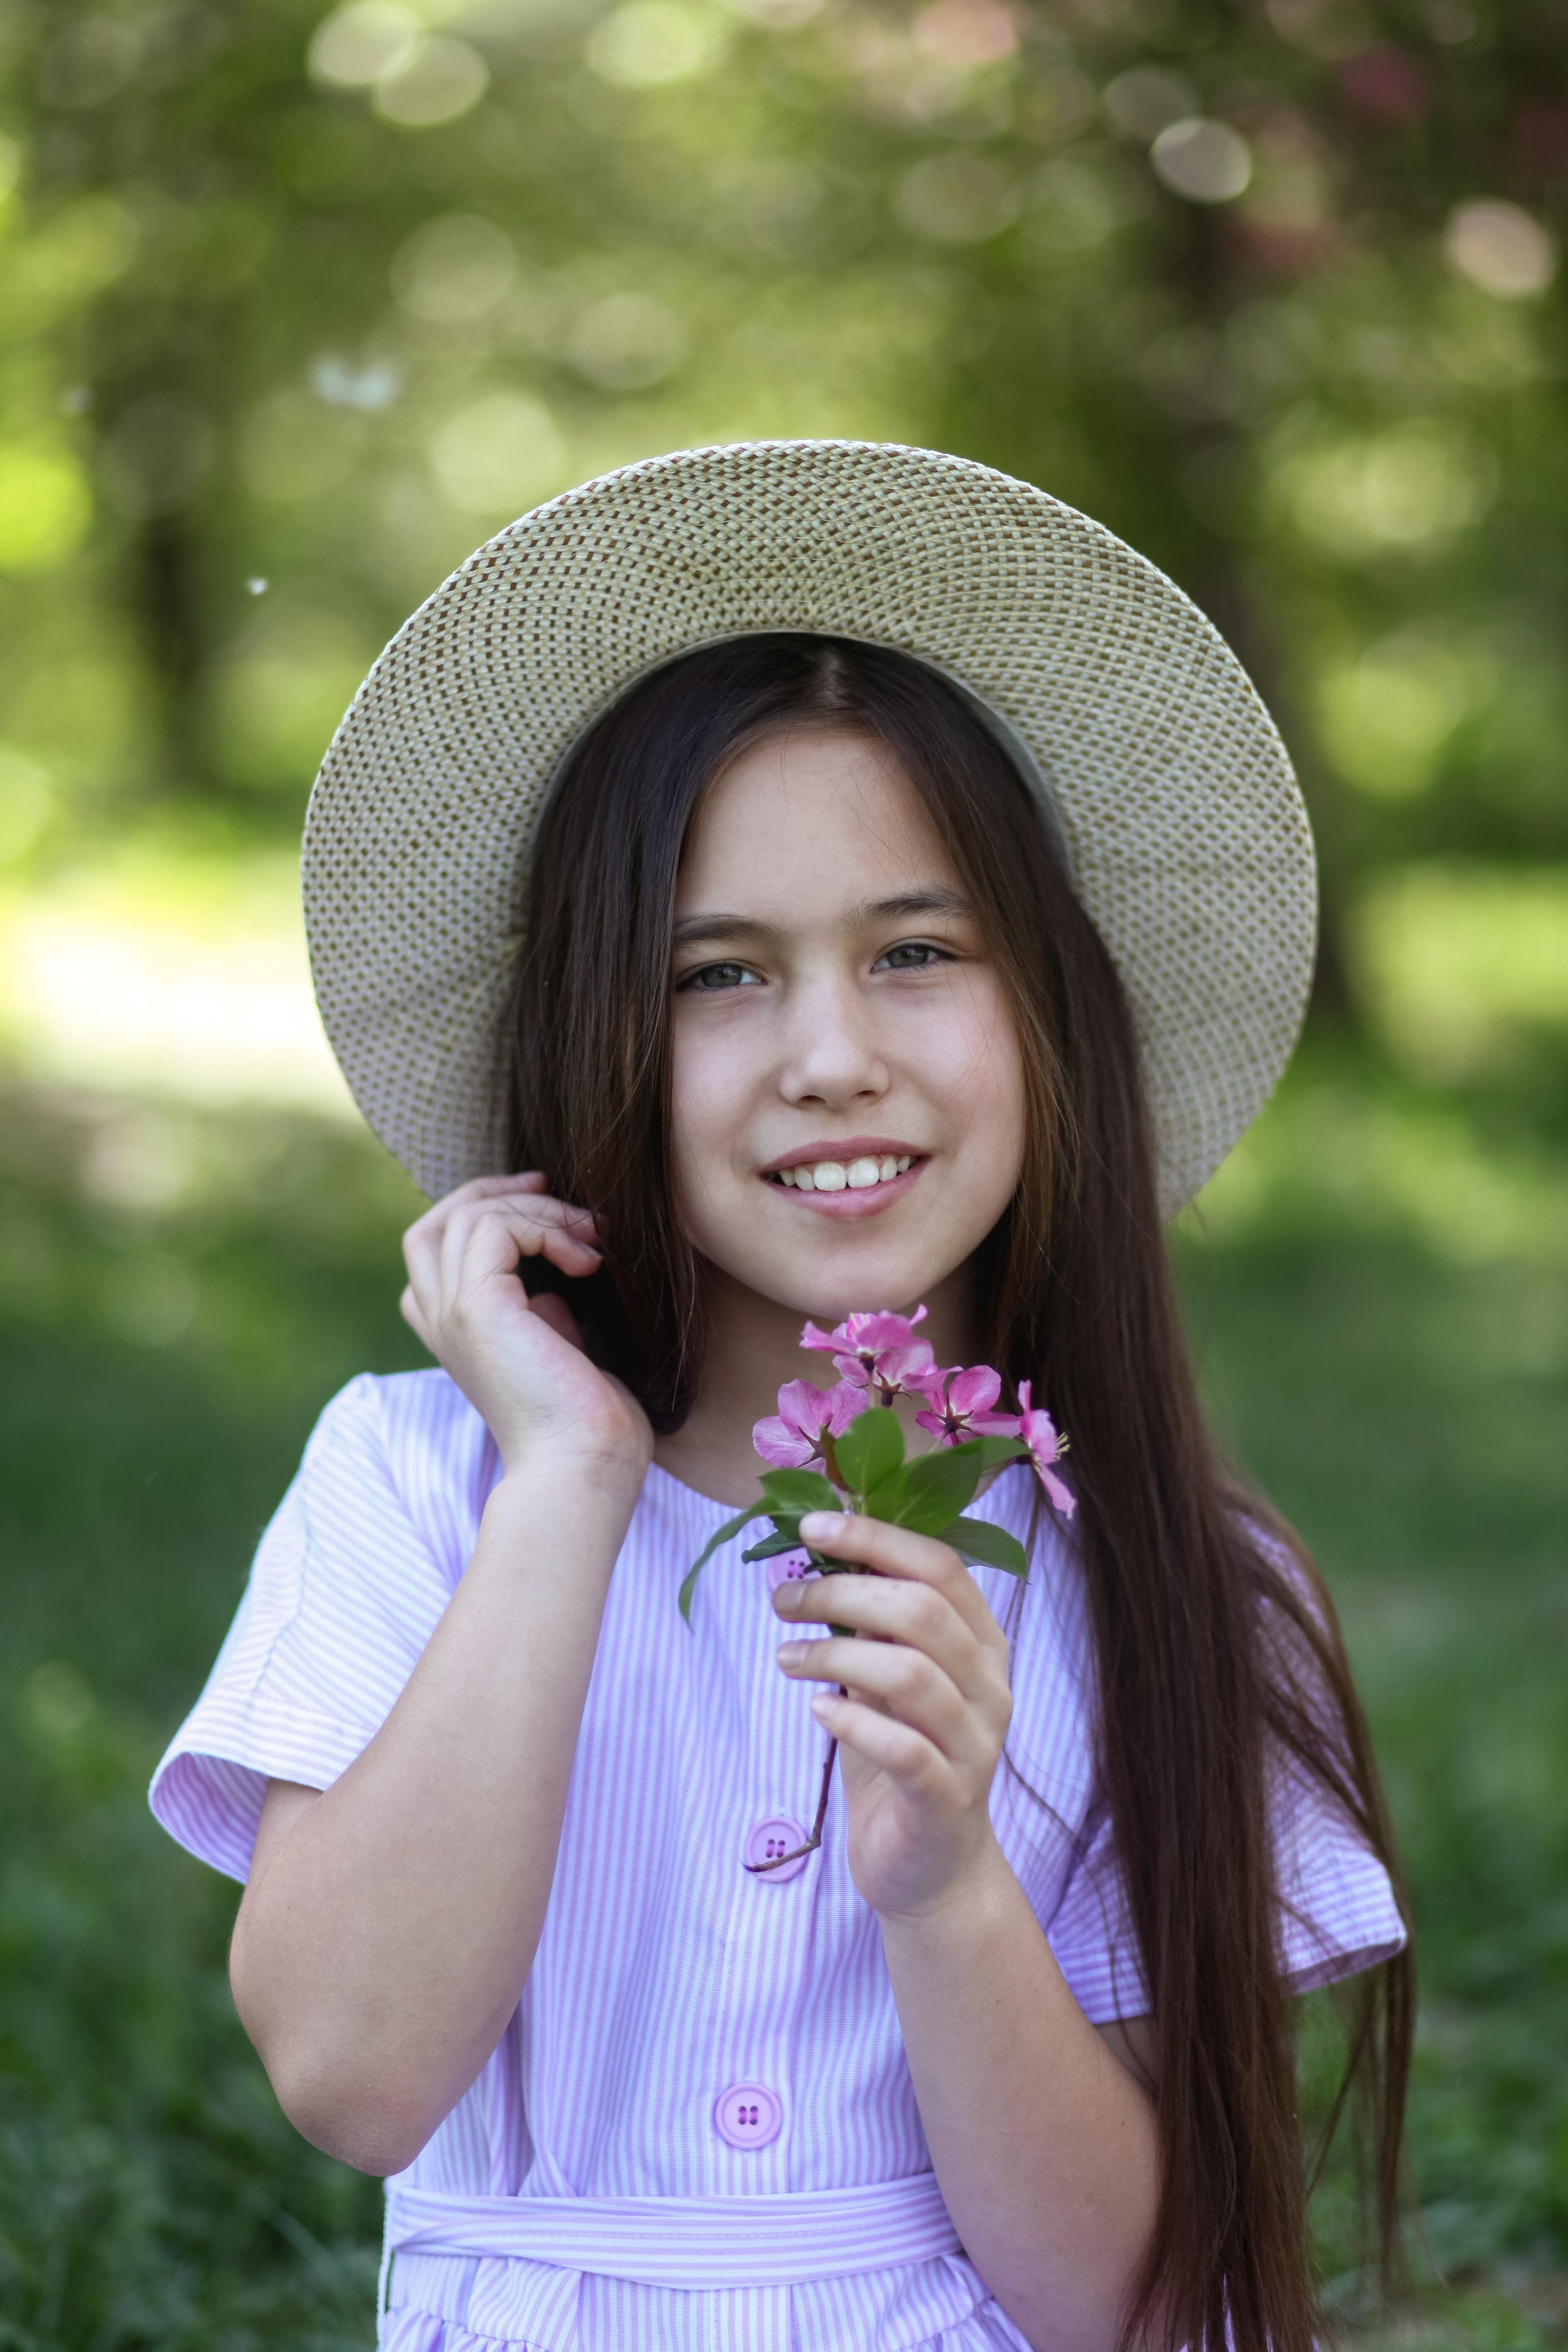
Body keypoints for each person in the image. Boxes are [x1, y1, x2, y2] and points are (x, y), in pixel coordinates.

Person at [149, 441, 1412, 2352]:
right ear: (598, 1032)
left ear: (1052, 1012)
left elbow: (1131, 2300)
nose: (830, 1055)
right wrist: (569, 1475)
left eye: (917, 953)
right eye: (718, 976)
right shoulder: (416, 1480)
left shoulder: (1174, 1577)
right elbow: (352, 2076)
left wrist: (945, 1884)